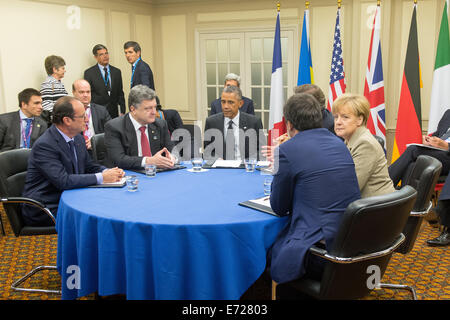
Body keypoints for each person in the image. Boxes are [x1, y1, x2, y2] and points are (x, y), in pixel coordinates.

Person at [269, 93, 361, 284]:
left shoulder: (286, 150)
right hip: (351, 240)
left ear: (289, 124)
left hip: (320, 250)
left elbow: (279, 207)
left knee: (267, 249)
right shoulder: (339, 143)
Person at [21, 96, 124, 226]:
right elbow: (63, 181)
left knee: (111, 204)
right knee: (100, 216)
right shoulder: (45, 145)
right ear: (67, 120)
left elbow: (89, 166)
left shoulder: (78, 138)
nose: (86, 120)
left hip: (74, 196)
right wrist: (102, 177)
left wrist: (108, 171)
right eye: (82, 116)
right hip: (47, 205)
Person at [389, 109, 450, 246]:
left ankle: (387, 185)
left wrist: (446, 146)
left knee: (413, 151)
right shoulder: (448, 113)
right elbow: (438, 134)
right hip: (441, 155)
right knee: (413, 165)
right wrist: (429, 140)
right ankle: (405, 208)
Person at [332, 93, 395, 198]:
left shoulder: (365, 143)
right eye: (335, 117)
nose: (338, 122)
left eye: (345, 117)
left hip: (377, 207)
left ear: (359, 120)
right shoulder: (350, 139)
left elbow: (350, 187)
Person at [104, 85, 175, 170]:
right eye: (148, 108)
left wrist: (171, 157)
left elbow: (171, 150)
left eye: (155, 107)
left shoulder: (160, 124)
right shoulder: (114, 127)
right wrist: (148, 161)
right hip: (130, 175)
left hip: (156, 174)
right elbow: (119, 160)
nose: (154, 112)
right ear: (133, 109)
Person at [204, 85, 263, 160]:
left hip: (245, 168)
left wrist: (247, 162)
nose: (225, 106)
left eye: (230, 102)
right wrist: (215, 159)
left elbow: (261, 151)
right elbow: (207, 151)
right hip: (221, 168)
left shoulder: (254, 122)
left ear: (240, 104)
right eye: (223, 102)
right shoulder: (211, 122)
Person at [84, 44, 126, 118]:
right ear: (95, 57)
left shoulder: (116, 72)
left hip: (114, 113)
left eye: (106, 53)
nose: (105, 56)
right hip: (98, 112)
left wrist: (122, 111)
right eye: (101, 54)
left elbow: (120, 93)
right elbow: (89, 94)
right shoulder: (89, 73)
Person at [71, 79, 112, 151]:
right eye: (81, 92)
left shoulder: (101, 111)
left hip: (99, 151)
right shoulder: (69, 112)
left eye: (88, 92)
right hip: (78, 151)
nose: (85, 95)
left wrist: (95, 142)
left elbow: (111, 133)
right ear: (73, 93)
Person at [40, 55, 68, 126]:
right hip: (57, 122)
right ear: (55, 69)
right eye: (63, 68)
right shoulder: (48, 84)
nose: (65, 70)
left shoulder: (58, 84)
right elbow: (46, 106)